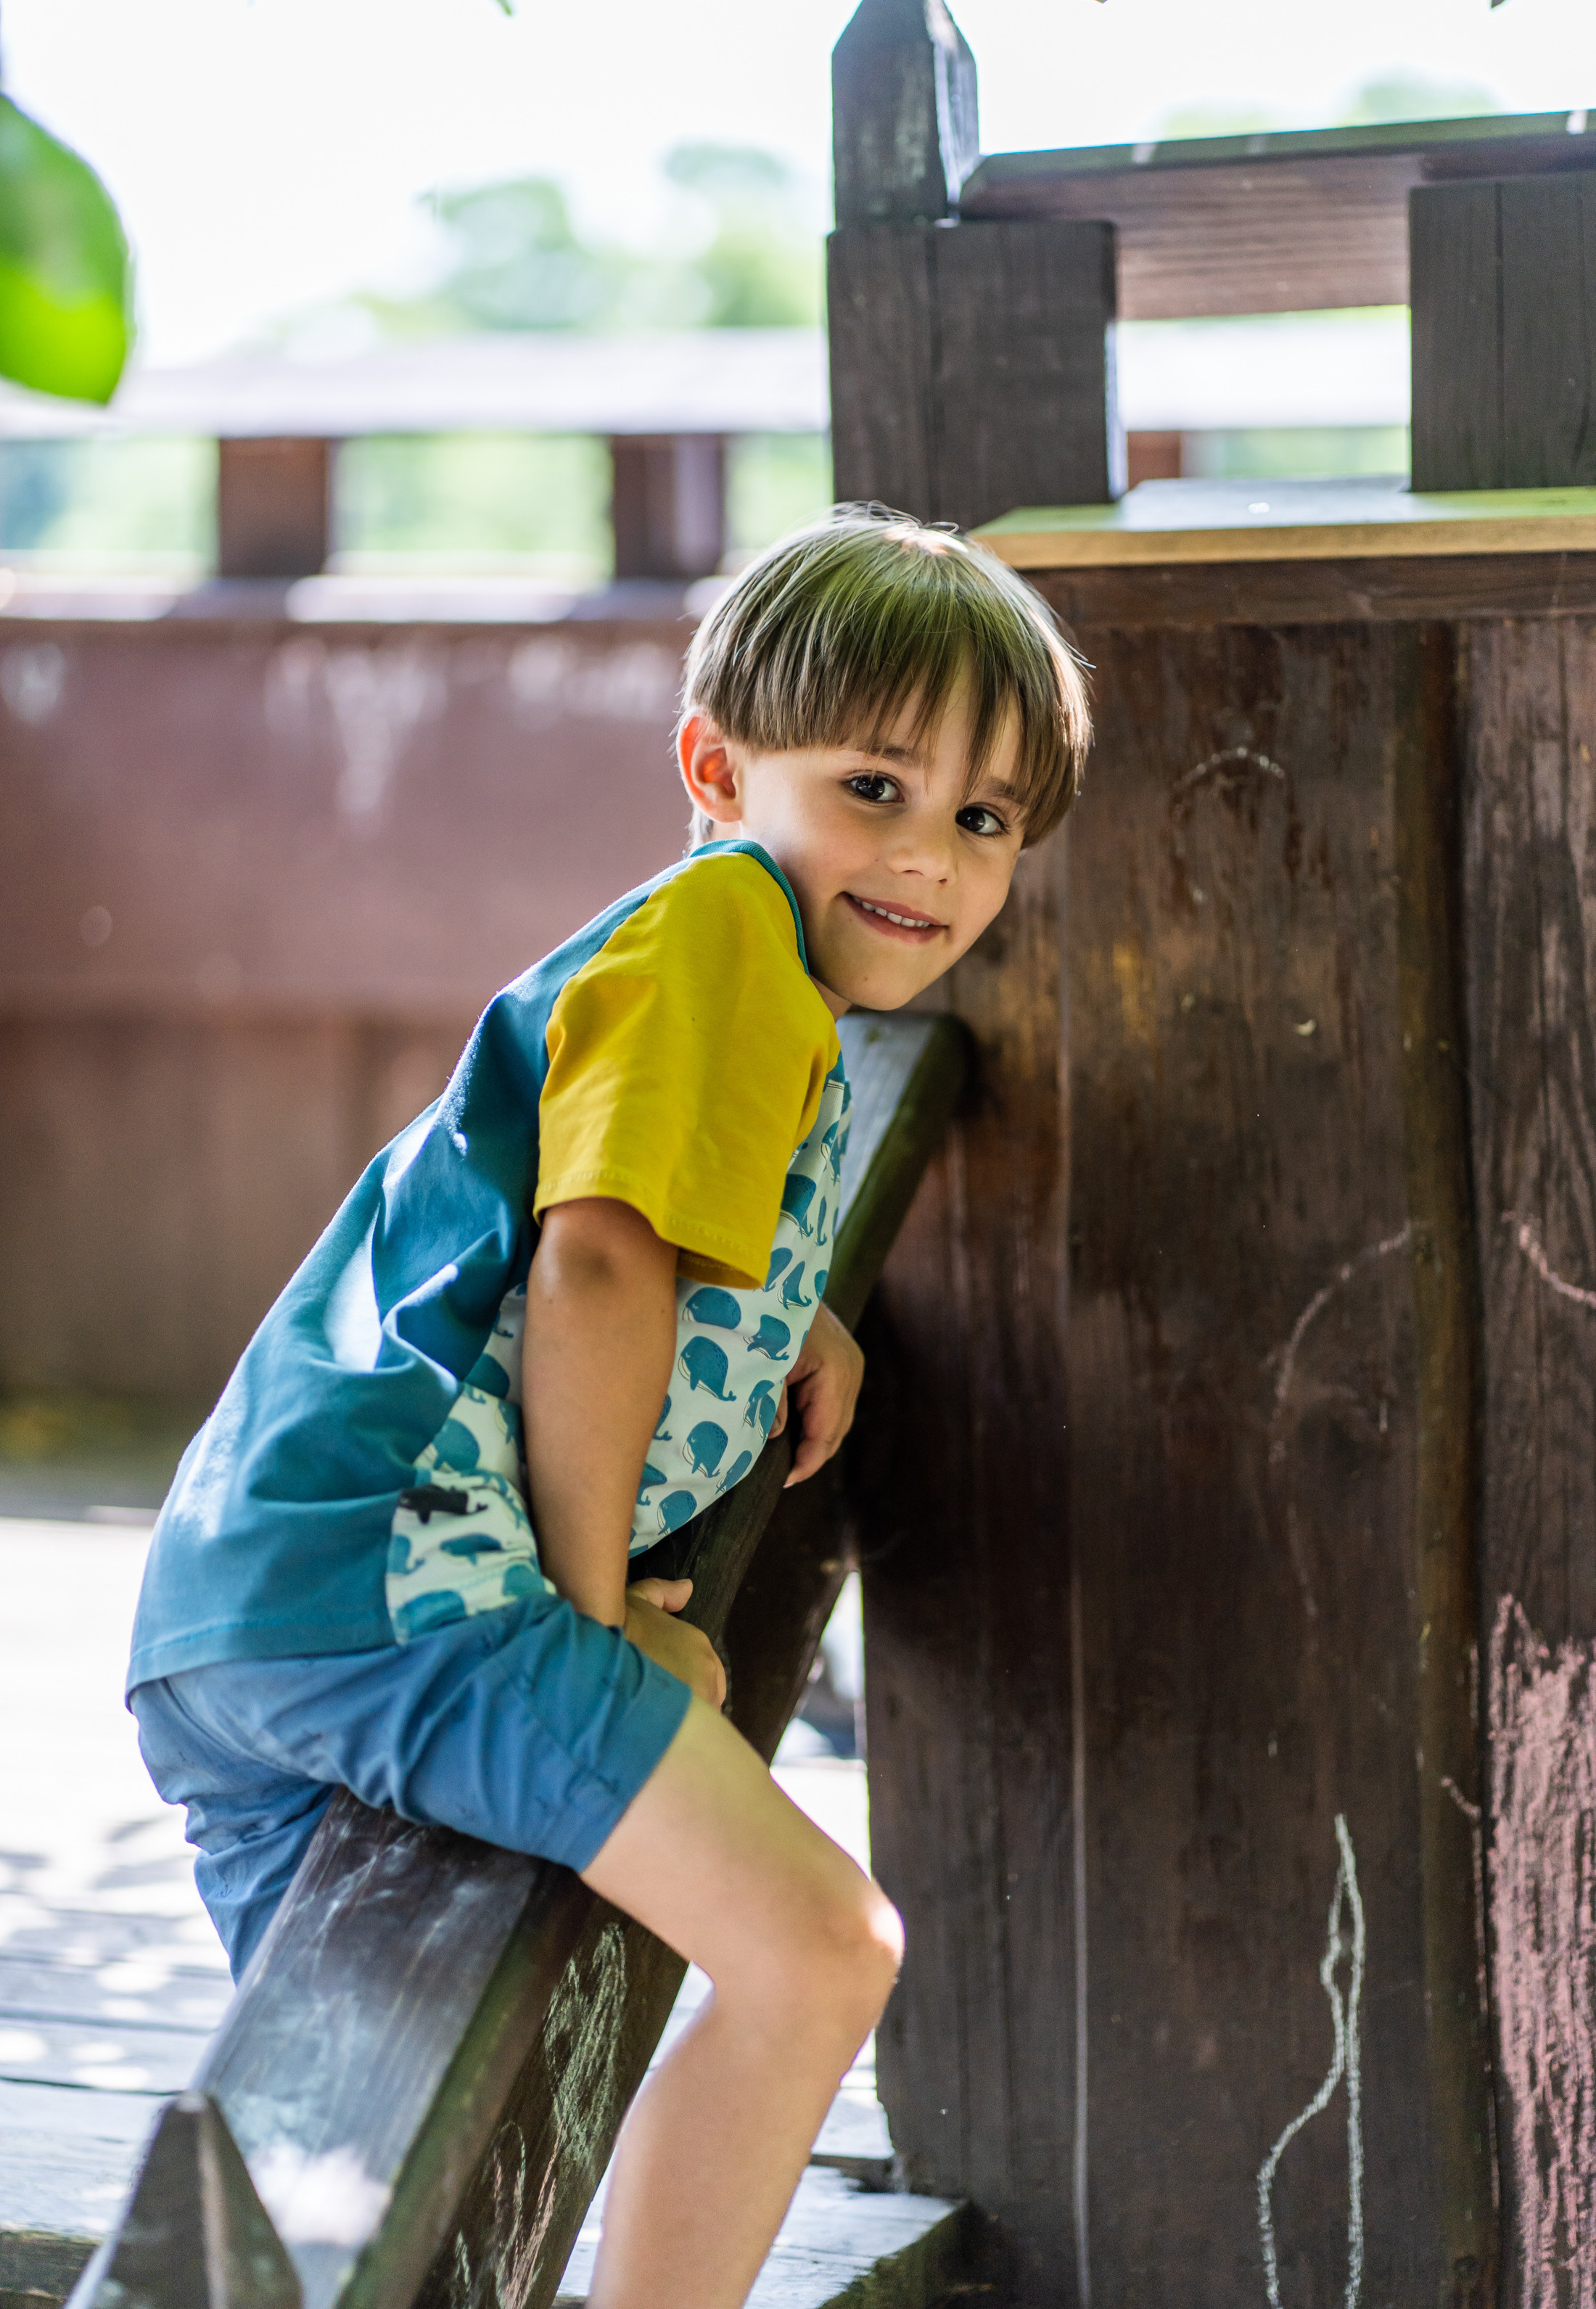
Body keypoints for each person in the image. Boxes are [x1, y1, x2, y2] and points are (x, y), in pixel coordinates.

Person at [126, 505, 1091, 2309]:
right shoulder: (725, 939)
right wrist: (593, 1624)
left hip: (250, 1601)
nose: (929, 857)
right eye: (872, 787)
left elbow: (614, 1213)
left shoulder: (730, 961)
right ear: (715, 770)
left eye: (983, 819)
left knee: (378, 2161)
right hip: (394, 1584)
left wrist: (793, 1304)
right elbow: (594, 1266)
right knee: (821, 1949)